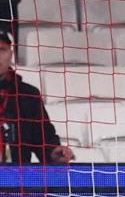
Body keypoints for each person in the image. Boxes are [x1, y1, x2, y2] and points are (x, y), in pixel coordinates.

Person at [0, 31, 74, 165]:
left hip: (19, 180)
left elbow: (43, 139)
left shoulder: (28, 94)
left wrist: (54, 152)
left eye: (1, 49)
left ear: (11, 54)